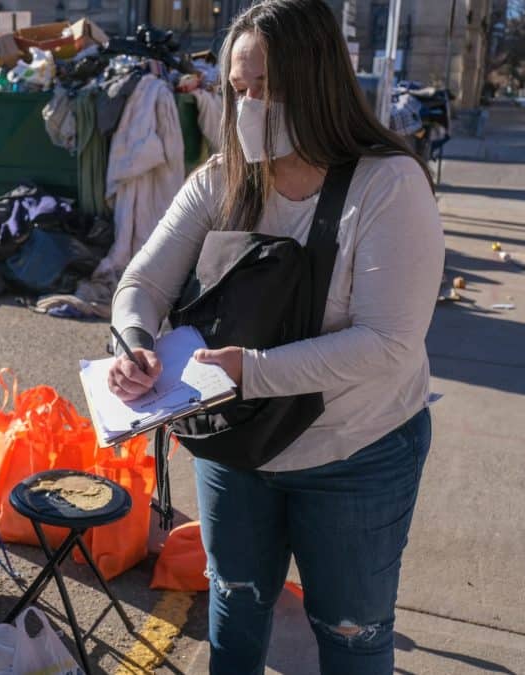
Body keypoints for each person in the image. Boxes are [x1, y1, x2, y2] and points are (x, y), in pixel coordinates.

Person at [107, 1, 443, 674]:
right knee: (235, 602)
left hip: (358, 451)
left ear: (318, 82)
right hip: (237, 448)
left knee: (351, 633)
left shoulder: (388, 185)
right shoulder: (222, 178)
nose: (252, 105)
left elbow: (387, 343)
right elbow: (138, 283)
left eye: (270, 87)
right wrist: (136, 343)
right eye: (240, 89)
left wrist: (248, 371)